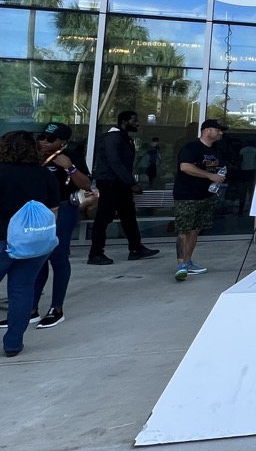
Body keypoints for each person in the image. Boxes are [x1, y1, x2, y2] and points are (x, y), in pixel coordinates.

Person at [0, 130, 61, 357]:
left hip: (2, 240)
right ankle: (13, 344)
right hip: (33, 243)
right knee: (22, 291)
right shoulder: (45, 175)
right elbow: (53, 212)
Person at [30, 123, 93, 329]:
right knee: (35, 258)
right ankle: (31, 308)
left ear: (62, 142)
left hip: (63, 209)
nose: (44, 142)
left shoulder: (70, 157)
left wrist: (69, 167)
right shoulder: (32, 155)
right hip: (35, 211)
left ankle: (56, 308)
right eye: (42, 137)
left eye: (50, 139)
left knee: (57, 256)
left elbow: (86, 185)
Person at [87, 110, 159, 265]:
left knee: (128, 216)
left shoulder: (123, 137)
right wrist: (131, 183)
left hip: (119, 183)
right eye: (134, 120)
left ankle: (136, 248)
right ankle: (95, 253)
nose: (137, 124)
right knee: (104, 217)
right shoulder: (113, 137)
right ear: (124, 122)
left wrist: (128, 182)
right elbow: (114, 162)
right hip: (110, 182)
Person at [172, 119, 228, 281]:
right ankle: (181, 265)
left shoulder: (216, 150)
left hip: (207, 196)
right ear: (207, 130)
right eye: (218, 130)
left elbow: (218, 168)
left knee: (195, 230)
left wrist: (218, 179)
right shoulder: (191, 147)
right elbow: (185, 167)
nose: (221, 133)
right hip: (187, 195)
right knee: (184, 230)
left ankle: (188, 262)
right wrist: (210, 175)